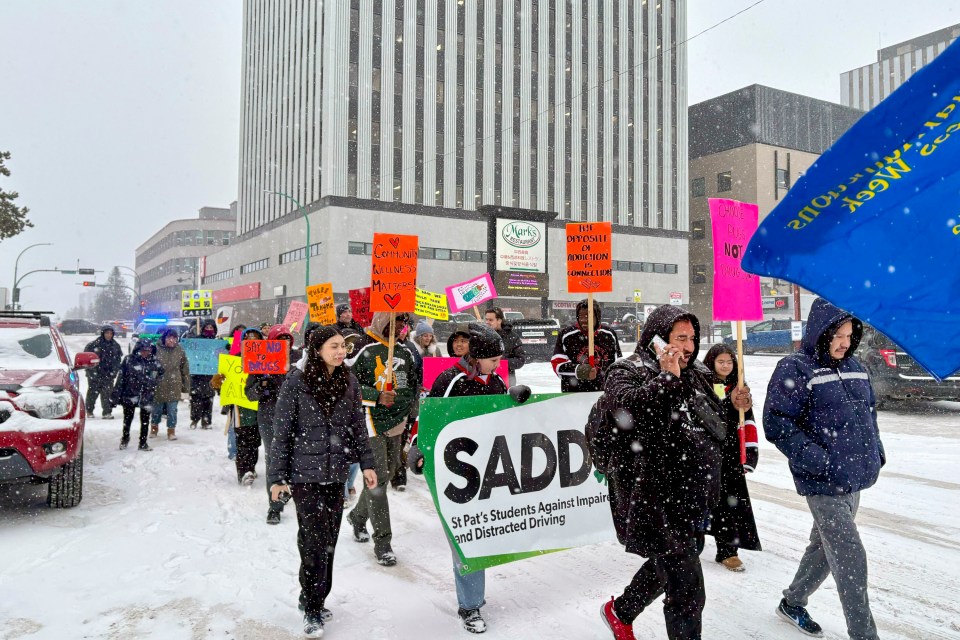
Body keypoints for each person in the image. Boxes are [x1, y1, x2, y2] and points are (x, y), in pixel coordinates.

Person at [599, 304, 751, 640]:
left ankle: (621, 610)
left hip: (692, 494)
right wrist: (668, 378)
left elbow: (709, 420)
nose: (688, 346)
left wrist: (734, 403)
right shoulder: (626, 370)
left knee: (675, 560)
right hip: (653, 496)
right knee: (687, 592)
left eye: (692, 338)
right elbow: (629, 415)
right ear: (657, 337)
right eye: (679, 338)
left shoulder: (695, 370)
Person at [763, 298, 885, 640]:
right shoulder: (796, 368)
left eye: (850, 335)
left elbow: (869, 414)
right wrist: (818, 460)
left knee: (823, 547)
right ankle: (864, 634)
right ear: (821, 332)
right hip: (821, 481)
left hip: (854, 477)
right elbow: (776, 422)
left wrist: (876, 452)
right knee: (850, 555)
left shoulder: (856, 366)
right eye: (838, 335)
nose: (845, 342)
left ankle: (793, 601)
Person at [269, 326, 377, 638]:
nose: (341, 351)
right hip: (306, 475)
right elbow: (282, 432)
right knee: (313, 540)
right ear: (317, 349)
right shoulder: (296, 381)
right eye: (334, 346)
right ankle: (313, 608)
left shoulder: (349, 380)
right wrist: (277, 477)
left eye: (343, 346)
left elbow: (358, 426)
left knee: (329, 539)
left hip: (337, 473)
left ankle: (315, 595)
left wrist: (367, 464)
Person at [407, 323, 511, 634]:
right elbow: (427, 416)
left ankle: (472, 598)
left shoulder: (496, 381)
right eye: (494, 359)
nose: (498, 364)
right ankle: (470, 605)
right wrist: (415, 445)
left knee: (481, 535)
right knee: (466, 538)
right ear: (478, 357)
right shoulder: (450, 380)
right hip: (455, 472)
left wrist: (516, 402)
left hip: (487, 469)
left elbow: (504, 419)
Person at [344, 311, 417, 567]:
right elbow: (347, 386)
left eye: (401, 324)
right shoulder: (361, 349)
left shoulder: (406, 352)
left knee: (390, 471)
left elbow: (412, 385)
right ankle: (383, 542)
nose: (396, 328)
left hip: (397, 421)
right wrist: (375, 395)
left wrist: (410, 408)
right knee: (378, 479)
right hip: (369, 421)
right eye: (392, 323)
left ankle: (357, 516)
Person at [701, 344, 761, 572]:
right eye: (721, 362)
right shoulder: (703, 385)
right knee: (704, 500)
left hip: (731, 454)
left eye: (729, 362)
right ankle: (691, 543)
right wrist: (728, 402)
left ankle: (728, 550)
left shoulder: (739, 387)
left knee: (730, 503)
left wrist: (742, 404)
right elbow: (709, 414)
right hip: (708, 453)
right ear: (712, 363)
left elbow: (746, 421)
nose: (726, 366)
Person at [245, 324, 296, 524]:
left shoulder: (299, 361)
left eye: (287, 340)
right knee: (274, 459)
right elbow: (249, 394)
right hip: (269, 416)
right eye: (280, 340)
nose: (284, 344)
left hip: (296, 417)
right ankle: (275, 505)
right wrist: (262, 385)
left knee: (296, 458)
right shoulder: (260, 360)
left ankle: (292, 491)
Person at [552, 298, 622, 392]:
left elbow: (618, 364)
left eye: (588, 316)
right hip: (573, 394)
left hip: (603, 394)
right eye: (580, 316)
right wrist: (579, 371)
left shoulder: (609, 334)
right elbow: (557, 364)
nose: (583, 320)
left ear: (597, 317)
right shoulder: (566, 335)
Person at [110, 339, 163, 451]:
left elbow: (161, 373)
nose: (146, 352)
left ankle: (143, 442)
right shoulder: (129, 360)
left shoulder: (154, 361)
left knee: (145, 420)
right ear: (138, 349)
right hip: (130, 393)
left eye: (148, 350)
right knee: (127, 419)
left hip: (146, 394)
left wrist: (154, 382)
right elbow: (121, 378)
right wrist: (115, 395)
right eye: (143, 350)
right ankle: (125, 437)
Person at [235, 327, 264, 485]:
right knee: (243, 440)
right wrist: (219, 381)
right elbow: (224, 383)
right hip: (241, 408)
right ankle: (244, 471)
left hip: (260, 406)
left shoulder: (266, 360)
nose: (252, 341)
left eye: (255, 339)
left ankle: (251, 467)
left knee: (255, 441)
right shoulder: (234, 360)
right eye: (248, 339)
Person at [151, 328, 190, 440]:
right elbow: (150, 366)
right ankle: (154, 428)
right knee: (156, 410)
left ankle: (171, 431)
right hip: (159, 384)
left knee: (172, 410)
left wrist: (186, 388)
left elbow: (185, 369)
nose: (172, 340)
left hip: (174, 384)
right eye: (169, 338)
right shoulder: (156, 349)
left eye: (174, 338)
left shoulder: (180, 350)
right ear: (164, 338)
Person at [84, 324, 123, 419]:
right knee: (92, 393)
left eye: (110, 333)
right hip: (94, 374)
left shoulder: (115, 346)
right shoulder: (93, 345)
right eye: (107, 333)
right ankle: (89, 411)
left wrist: (113, 372)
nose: (109, 335)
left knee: (107, 393)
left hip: (108, 375)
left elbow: (117, 361)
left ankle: (107, 412)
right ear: (103, 333)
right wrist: (92, 372)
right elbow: (86, 360)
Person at [189, 318, 221, 429]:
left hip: (210, 375)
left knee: (208, 399)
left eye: (211, 327)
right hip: (197, 375)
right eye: (207, 327)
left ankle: (206, 421)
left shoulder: (217, 342)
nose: (209, 329)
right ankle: (195, 419)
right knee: (196, 399)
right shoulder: (197, 340)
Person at [484, 307, 526, 386]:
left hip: (505, 382)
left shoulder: (512, 337)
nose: (487, 322)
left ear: (499, 320)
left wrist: (501, 360)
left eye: (491, 320)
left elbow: (520, 360)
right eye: (486, 319)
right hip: (483, 382)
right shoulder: (481, 336)